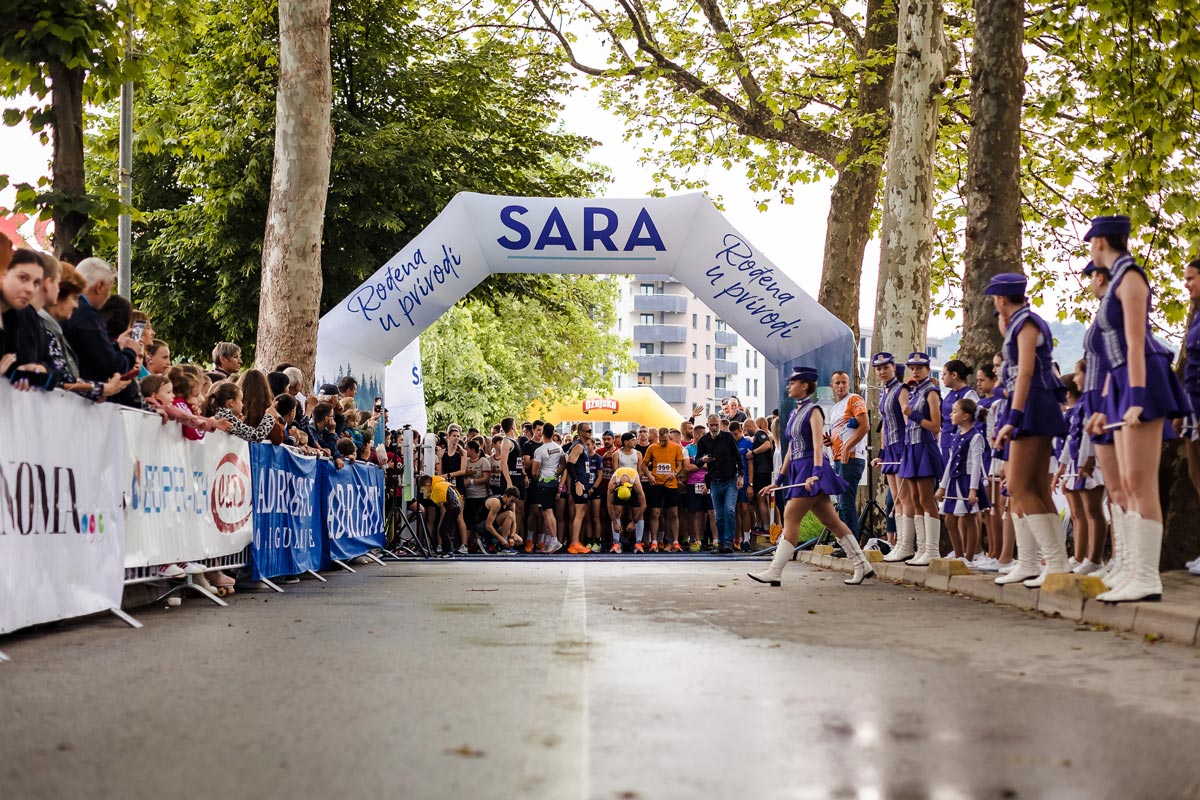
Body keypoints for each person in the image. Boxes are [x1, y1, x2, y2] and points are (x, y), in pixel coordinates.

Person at [1084, 216, 1189, 602]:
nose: (1090, 248)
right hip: (1122, 379)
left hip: (1142, 377)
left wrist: (1138, 398)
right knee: (1127, 483)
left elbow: (1135, 343)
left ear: (1100, 241)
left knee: (1141, 484)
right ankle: (1130, 570)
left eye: (1091, 242)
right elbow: (1112, 357)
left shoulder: (1130, 277)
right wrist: (1105, 403)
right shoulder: (1116, 281)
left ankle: (1146, 578)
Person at [750, 367, 874, 586]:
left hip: (812, 468)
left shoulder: (814, 410)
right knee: (832, 521)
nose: (789, 386)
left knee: (790, 516)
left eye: (793, 382)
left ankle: (775, 571)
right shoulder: (794, 413)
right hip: (800, 469)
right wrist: (778, 480)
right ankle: (862, 564)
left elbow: (818, 444)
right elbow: (791, 449)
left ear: (804, 385)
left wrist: (816, 474)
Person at [988, 272, 1071, 588]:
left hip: (1033, 405)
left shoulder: (1026, 323)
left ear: (1001, 299)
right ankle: (1035, 562)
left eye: (995, 299)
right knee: (1033, 488)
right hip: (1030, 404)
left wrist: (1014, 416)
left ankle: (1055, 563)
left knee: (1020, 488)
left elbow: (1025, 373)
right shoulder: (1019, 323)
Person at [62, 257, 142, 388]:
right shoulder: (87, 315)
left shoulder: (74, 312)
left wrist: (116, 346)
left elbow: (92, 351)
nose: (109, 296)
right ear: (99, 286)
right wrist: (130, 351)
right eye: (109, 290)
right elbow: (109, 365)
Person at [1055, 370, 1106, 574]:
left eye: (1079, 373)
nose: (1076, 378)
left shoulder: (1086, 406)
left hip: (1086, 465)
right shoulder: (1076, 410)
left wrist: (1085, 461)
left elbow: (1086, 436)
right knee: (1079, 514)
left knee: (1091, 512)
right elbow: (1071, 440)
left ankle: (1091, 558)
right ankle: (1081, 557)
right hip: (1075, 465)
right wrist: (1063, 467)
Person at [899, 352, 944, 566]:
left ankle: (933, 550)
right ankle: (922, 548)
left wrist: (913, 414)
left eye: (919, 367)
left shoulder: (931, 392)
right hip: (912, 447)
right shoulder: (914, 391)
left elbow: (936, 425)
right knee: (915, 499)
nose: (915, 371)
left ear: (927, 368)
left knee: (927, 499)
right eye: (912, 367)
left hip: (925, 446)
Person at [934, 397, 989, 564]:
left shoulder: (976, 437)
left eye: (955, 411)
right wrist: (942, 487)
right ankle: (959, 555)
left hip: (967, 481)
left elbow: (976, 464)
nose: (951, 414)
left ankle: (969, 557)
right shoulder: (957, 435)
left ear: (965, 416)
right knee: (950, 519)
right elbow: (951, 463)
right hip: (954, 481)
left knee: (969, 518)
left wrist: (973, 489)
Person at [871, 353, 913, 560]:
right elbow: (886, 427)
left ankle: (907, 545)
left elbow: (907, 422)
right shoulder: (884, 392)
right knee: (895, 499)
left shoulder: (901, 389)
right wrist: (881, 454)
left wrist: (908, 450)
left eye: (885, 367)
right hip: (889, 450)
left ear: (894, 368)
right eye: (878, 369)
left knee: (904, 498)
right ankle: (899, 544)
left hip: (902, 446)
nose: (882, 372)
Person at [826, 370, 868, 540]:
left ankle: (852, 544)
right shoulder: (835, 408)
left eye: (844, 382)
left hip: (852, 458)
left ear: (849, 384)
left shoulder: (854, 399)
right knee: (841, 504)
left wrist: (847, 447)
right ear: (832, 386)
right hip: (838, 459)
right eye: (837, 383)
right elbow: (843, 432)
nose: (841, 386)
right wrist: (831, 441)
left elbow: (865, 426)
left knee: (846, 503)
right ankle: (845, 542)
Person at [694, 412, 743, 553]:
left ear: (720, 424)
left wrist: (741, 475)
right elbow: (697, 461)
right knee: (719, 514)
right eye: (712, 425)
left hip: (730, 479)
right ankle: (721, 543)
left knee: (729, 510)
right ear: (707, 425)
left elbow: (738, 456)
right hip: (715, 480)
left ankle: (729, 541)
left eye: (716, 425)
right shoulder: (703, 440)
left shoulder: (728, 437)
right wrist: (703, 460)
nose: (714, 428)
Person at [643, 425, 686, 552]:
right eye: (660, 440)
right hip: (656, 484)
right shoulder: (652, 447)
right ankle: (654, 541)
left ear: (669, 437)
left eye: (665, 440)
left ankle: (675, 541)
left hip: (671, 484)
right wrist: (649, 475)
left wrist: (674, 473)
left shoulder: (676, 447)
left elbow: (680, 465)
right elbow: (643, 465)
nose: (662, 442)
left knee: (673, 513)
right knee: (655, 512)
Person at [530, 422, 565, 553]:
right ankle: (552, 540)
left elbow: (534, 472)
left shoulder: (540, 450)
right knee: (548, 512)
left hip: (543, 483)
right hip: (554, 482)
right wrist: (556, 474)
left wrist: (538, 478)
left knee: (547, 512)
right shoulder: (558, 447)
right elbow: (563, 463)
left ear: (543, 433)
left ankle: (554, 541)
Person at [563, 423, 596, 555]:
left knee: (581, 512)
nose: (590, 433)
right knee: (579, 512)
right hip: (579, 484)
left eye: (591, 430)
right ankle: (574, 542)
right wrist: (577, 482)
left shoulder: (583, 446)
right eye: (588, 431)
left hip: (583, 483)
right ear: (580, 432)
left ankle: (576, 542)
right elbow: (570, 464)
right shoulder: (578, 446)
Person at [939, 360, 979, 467]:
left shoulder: (969, 395)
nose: (942, 378)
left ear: (954, 375)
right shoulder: (949, 395)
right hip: (946, 443)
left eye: (944, 374)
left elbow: (975, 422)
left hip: (960, 444)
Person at [417, 474, 462, 558]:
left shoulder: (438, 487)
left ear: (427, 485)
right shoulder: (439, 484)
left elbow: (441, 503)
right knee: (443, 530)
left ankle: (448, 551)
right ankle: (446, 551)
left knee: (443, 530)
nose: (424, 492)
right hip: (453, 508)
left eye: (423, 489)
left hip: (453, 509)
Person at [607, 465, 647, 553]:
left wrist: (634, 522)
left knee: (638, 512)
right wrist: (614, 522)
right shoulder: (613, 484)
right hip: (620, 487)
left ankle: (638, 543)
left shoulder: (636, 484)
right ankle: (616, 543)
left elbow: (644, 505)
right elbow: (609, 504)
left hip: (632, 486)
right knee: (616, 511)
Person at [475, 488, 523, 553]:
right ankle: (502, 546)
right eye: (511, 501)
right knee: (509, 514)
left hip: (495, 526)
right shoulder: (496, 503)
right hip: (482, 526)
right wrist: (502, 539)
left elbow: (514, 523)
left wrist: (511, 537)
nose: (512, 503)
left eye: (514, 502)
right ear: (505, 496)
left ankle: (496, 544)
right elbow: (488, 525)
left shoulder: (512, 504)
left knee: (519, 540)